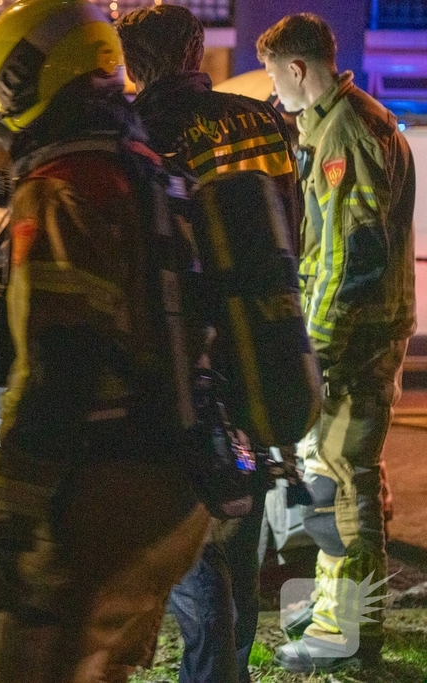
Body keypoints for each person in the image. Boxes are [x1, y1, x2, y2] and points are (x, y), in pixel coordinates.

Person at [0, 1, 210, 681]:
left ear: (28, 76)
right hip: (174, 483)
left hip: (103, 485)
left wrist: (7, 517)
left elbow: (58, 368)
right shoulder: (146, 168)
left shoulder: (64, 186)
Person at [116, 6, 302, 682]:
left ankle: (213, 671)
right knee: (241, 524)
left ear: (132, 62)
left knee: (197, 539)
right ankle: (233, 667)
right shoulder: (266, 122)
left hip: (189, 361)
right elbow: (294, 235)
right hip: (263, 347)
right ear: (198, 49)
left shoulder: (142, 129)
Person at [257, 13, 416, 673]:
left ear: (298, 68)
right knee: (336, 484)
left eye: (276, 78)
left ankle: (344, 635)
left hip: (351, 346)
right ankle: (331, 616)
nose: (276, 94)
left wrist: (315, 356)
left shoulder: (344, 133)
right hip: (360, 338)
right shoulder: (343, 121)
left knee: (342, 493)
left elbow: (349, 262)